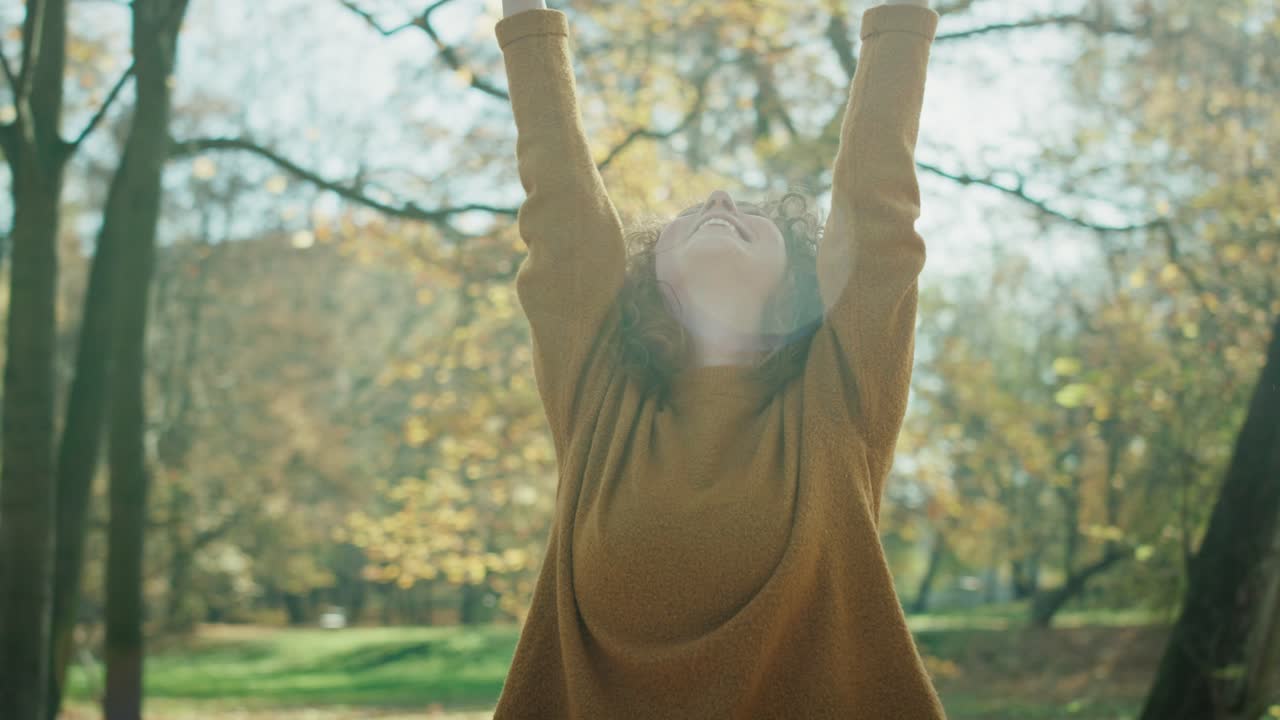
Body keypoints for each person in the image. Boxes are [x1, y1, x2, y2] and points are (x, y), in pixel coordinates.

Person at [492, 0, 944, 716]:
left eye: (753, 218)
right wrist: (526, 16)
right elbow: (563, 211)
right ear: (654, 280)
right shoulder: (599, 399)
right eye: (689, 215)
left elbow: (878, 210)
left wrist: (899, 20)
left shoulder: (839, 403)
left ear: (799, 283)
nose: (721, 197)